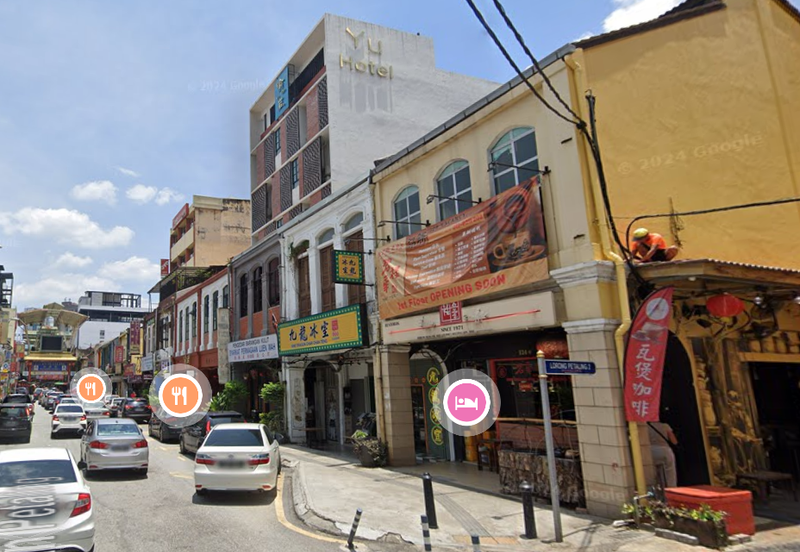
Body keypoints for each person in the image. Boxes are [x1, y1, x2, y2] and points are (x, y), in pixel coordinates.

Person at [649, 421, 679, 488]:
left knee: (654, 473)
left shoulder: (645, 427)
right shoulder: (665, 426)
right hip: (664, 449)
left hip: (650, 450)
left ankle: (658, 491)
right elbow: (674, 441)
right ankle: (672, 490)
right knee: (670, 473)